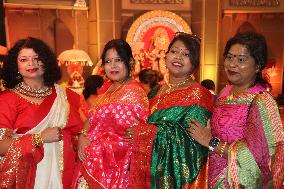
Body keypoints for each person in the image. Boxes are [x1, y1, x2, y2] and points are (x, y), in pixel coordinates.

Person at [187, 32, 284, 188]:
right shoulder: (226, 92)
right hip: (212, 176)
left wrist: (211, 142)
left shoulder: (261, 101)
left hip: (237, 182)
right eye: (229, 57)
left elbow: (260, 157)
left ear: (258, 65)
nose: (232, 64)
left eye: (241, 60)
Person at [129, 32, 214, 188]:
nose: (178, 57)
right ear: (166, 56)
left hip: (180, 180)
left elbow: (191, 142)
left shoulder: (199, 94)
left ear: (195, 62)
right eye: (174, 51)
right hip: (150, 173)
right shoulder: (156, 91)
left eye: (186, 54)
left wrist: (143, 134)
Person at [0, 37, 83, 188]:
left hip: (66, 174)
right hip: (27, 178)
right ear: (16, 65)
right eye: (24, 59)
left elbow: (87, 125)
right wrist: (40, 138)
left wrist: (83, 137)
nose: (31, 64)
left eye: (37, 58)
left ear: (46, 61)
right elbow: (1, 145)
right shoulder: (7, 100)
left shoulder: (65, 95)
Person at [73, 39, 149, 188]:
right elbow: (92, 117)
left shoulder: (135, 92)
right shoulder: (107, 89)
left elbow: (132, 137)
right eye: (108, 61)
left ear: (130, 62)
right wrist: (82, 135)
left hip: (117, 169)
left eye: (118, 60)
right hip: (93, 162)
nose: (112, 65)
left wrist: (99, 148)